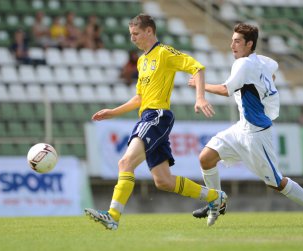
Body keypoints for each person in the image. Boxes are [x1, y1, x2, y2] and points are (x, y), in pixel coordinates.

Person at [84, 14, 227, 230]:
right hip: (147, 116)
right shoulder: (142, 60)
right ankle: (216, 197)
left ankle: (113, 216)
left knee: (125, 163)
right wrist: (113, 112)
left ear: (149, 31)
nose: (132, 39)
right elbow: (140, 98)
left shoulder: (165, 53)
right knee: (163, 181)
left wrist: (200, 97)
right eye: (131, 34)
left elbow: (198, 68)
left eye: (136, 34)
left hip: (157, 115)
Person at [189, 23, 303, 225]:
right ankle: (216, 202)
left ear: (249, 44)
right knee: (206, 158)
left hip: (256, 133)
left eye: (237, 41)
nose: (232, 45)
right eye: (232, 40)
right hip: (241, 127)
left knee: (275, 182)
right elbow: (274, 66)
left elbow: (226, 90)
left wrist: (199, 85)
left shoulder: (244, 64)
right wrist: (266, 81)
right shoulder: (261, 61)